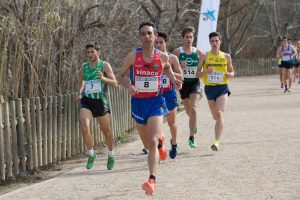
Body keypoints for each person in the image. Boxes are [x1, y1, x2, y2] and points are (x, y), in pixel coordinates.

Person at [118, 22, 182, 195]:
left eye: (150, 33)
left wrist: (174, 80)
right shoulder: (133, 56)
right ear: (139, 37)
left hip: (156, 102)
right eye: (143, 34)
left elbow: (167, 69)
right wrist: (129, 85)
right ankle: (160, 144)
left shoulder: (162, 57)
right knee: (148, 144)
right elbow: (120, 76)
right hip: (138, 103)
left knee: (152, 142)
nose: (147, 36)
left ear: (155, 36)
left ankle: (151, 180)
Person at [77, 42, 118, 170]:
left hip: (100, 102)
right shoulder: (84, 66)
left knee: (106, 131)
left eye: (92, 52)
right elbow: (82, 81)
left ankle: (111, 154)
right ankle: (91, 154)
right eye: (87, 52)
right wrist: (79, 93)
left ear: (98, 52)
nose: (89, 54)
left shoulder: (104, 65)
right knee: (84, 128)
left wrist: (103, 79)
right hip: (87, 100)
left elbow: (115, 83)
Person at [196, 32, 234, 151]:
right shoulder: (204, 56)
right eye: (212, 41)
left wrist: (229, 74)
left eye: (216, 41)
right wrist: (205, 72)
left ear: (220, 42)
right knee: (215, 116)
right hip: (209, 89)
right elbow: (197, 73)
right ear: (209, 42)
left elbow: (232, 72)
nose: (214, 43)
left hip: (222, 87)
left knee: (219, 113)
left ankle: (216, 142)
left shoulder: (226, 56)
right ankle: (217, 134)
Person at [173, 26, 203, 148]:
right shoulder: (177, 52)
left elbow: (200, 70)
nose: (189, 39)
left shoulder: (198, 53)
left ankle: (191, 138)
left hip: (195, 83)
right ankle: (193, 123)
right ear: (183, 38)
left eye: (191, 37)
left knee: (193, 108)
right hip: (183, 84)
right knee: (188, 110)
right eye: (187, 37)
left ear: (193, 38)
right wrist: (179, 66)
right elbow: (170, 68)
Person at [155, 32, 183, 159]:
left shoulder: (172, 58)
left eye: (161, 42)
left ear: (166, 43)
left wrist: (169, 73)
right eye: (157, 42)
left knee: (172, 123)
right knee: (157, 125)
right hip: (157, 94)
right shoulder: (152, 58)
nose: (159, 45)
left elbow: (181, 76)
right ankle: (160, 148)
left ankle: (174, 144)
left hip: (169, 93)